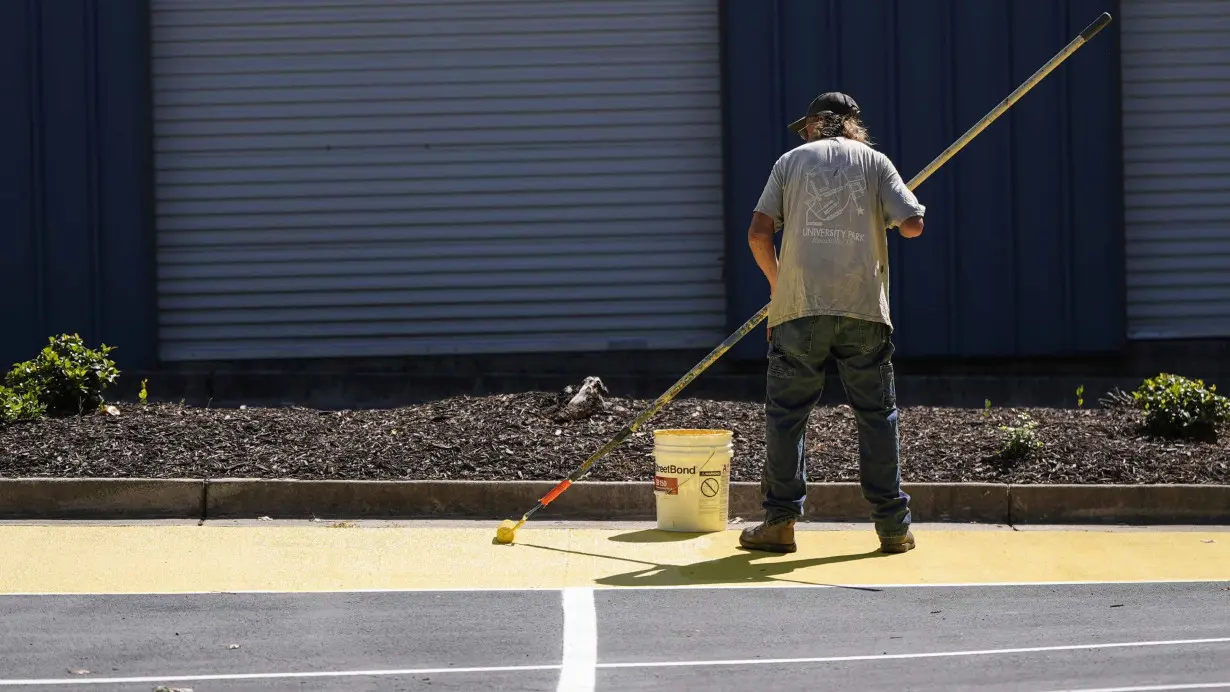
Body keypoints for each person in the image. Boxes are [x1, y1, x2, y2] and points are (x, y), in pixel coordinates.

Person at [739, 92, 925, 555]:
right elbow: (914, 226)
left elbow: (759, 233)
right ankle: (893, 528)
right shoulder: (876, 163)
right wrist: (894, 217)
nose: (803, 132)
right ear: (851, 126)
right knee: (877, 417)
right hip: (863, 309)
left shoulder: (790, 162)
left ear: (818, 124)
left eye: (806, 125)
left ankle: (780, 523)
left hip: (800, 308)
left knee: (787, 417)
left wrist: (778, 286)